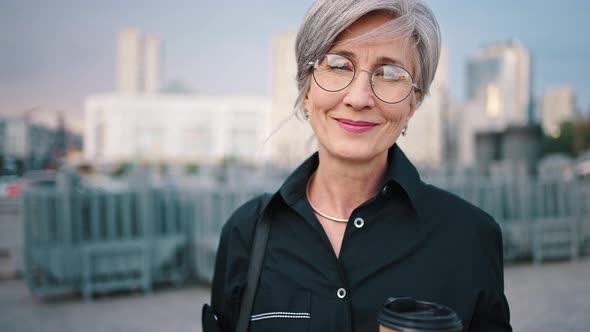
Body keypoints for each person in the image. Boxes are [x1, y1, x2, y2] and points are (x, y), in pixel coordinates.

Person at [209, 0, 512, 331]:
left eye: (390, 73)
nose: (359, 97)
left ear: (413, 102)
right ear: (306, 89)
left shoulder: (468, 237)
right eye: (339, 65)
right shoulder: (246, 234)